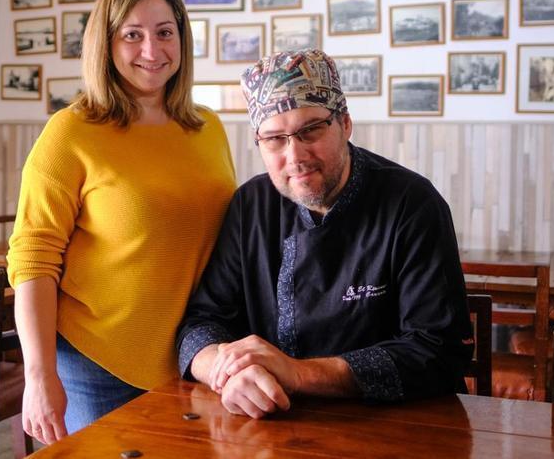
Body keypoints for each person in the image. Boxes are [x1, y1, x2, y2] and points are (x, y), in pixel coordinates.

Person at [176, 49, 473, 418]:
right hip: (271, 424)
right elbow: (200, 323)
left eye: (310, 130)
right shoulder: (249, 206)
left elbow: (439, 352)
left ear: (345, 124)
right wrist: (225, 371)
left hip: (397, 426)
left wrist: (298, 374)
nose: (295, 155)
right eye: (274, 139)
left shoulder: (411, 204)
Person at [7, 0, 236, 443]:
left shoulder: (207, 128)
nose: (151, 51)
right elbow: (32, 260)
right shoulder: (71, 132)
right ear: (105, 44)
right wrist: (38, 375)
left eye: (164, 32)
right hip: (97, 363)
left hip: (196, 357)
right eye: (132, 35)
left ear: (182, 39)